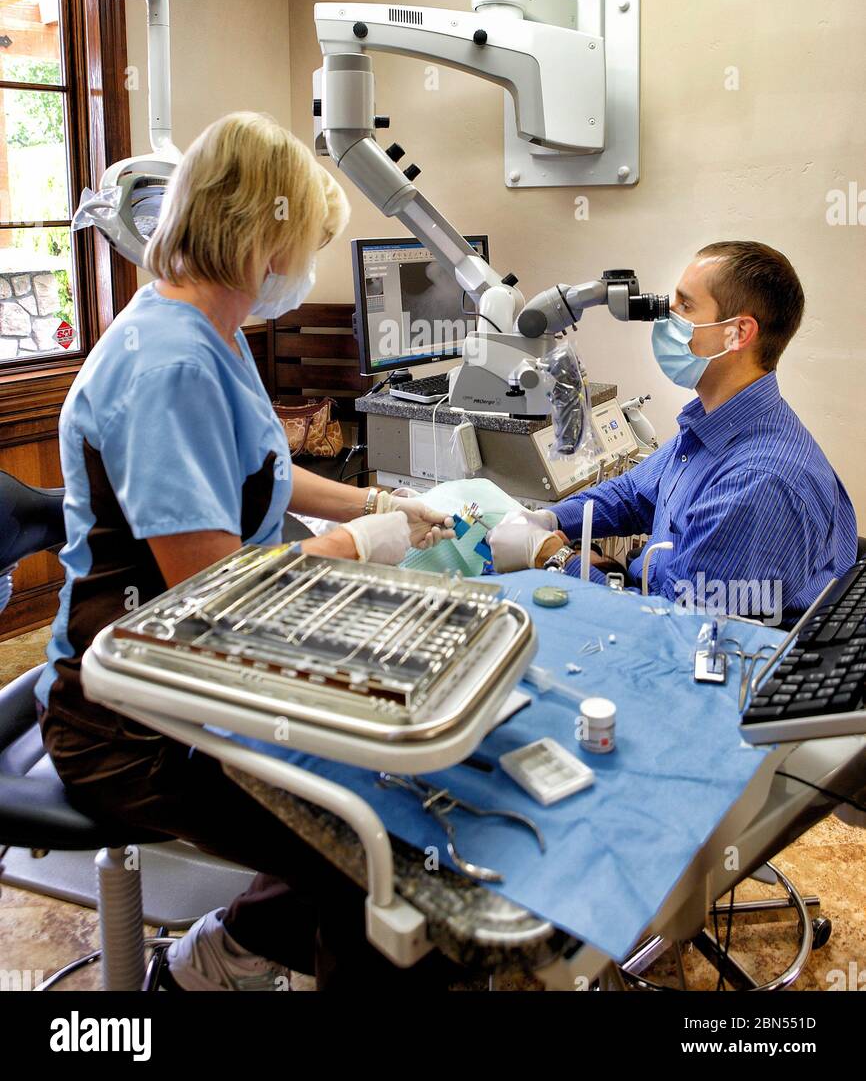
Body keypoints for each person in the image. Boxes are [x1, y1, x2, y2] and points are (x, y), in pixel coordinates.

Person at [36, 111, 458, 991]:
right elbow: (219, 592)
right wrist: (363, 542)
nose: (302, 268)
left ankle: (224, 956)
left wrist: (383, 500)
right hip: (130, 718)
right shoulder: (170, 365)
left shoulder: (211, 335)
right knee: (372, 850)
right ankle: (243, 962)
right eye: (302, 243)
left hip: (198, 674)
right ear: (262, 234)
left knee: (383, 779)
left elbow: (264, 473)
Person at [490, 242, 857, 623]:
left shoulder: (756, 483)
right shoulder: (721, 422)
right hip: (663, 604)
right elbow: (632, 494)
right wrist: (552, 521)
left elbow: (675, 633)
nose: (666, 317)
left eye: (684, 307)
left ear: (738, 333)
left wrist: (556, 557)